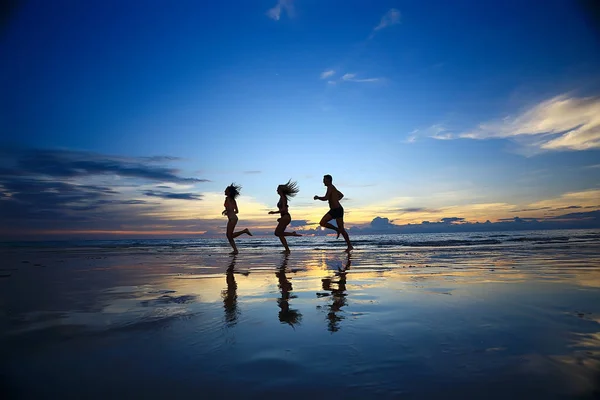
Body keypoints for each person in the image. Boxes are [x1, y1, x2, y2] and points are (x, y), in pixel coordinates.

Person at [314, 174, 353, 252]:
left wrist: (318, 197)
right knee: (322, 222)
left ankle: (349, 246)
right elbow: (341, 195)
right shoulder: (332, 188)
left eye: (325, 180)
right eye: (323, 180)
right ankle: (337, 230)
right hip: (333, 210)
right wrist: (335, 199)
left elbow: (326, 198)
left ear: (329, 180)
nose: (323, 182)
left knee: (341, 229)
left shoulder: (331, 187)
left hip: (338, 210)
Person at [268, 179, 301, 253]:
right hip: (284, 217)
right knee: (280, 234)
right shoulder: (281, 197)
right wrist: (281, 218)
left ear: (280, 190)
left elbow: (284, 210)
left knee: (277, 233)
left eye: (278, 189)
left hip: (286, 216)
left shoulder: (283, 198)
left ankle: (292, 234)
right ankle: (287, 250)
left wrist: (274, 212)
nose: (276, 190)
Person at [222, 183, 252, 254]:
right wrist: (228, 211)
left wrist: (227, 211)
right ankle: (235, 250)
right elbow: (237, 211)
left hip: (232, 218)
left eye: (226, 190)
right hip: (234, 218)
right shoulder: (233, 200)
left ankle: (244, 231)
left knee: (229, 235)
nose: (224, 191)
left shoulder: (227, 199)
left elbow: (229, 208)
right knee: (229, 235)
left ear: (229, 192)